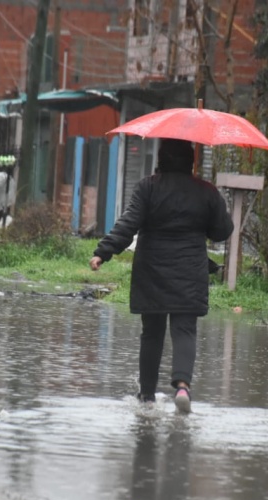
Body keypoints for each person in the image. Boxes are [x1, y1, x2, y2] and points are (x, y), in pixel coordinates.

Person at [89, 138, 234, 414]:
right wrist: (217, 203)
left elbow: (128, 223)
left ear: (161, 158)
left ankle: (146, 396)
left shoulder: (148, 187)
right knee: (185, 330)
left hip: (152, 269)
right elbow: (221, 231)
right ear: (191, 161)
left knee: (152, 333)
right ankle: (182, 386)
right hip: (190, 270)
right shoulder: (206, 191)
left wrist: (103, 252)